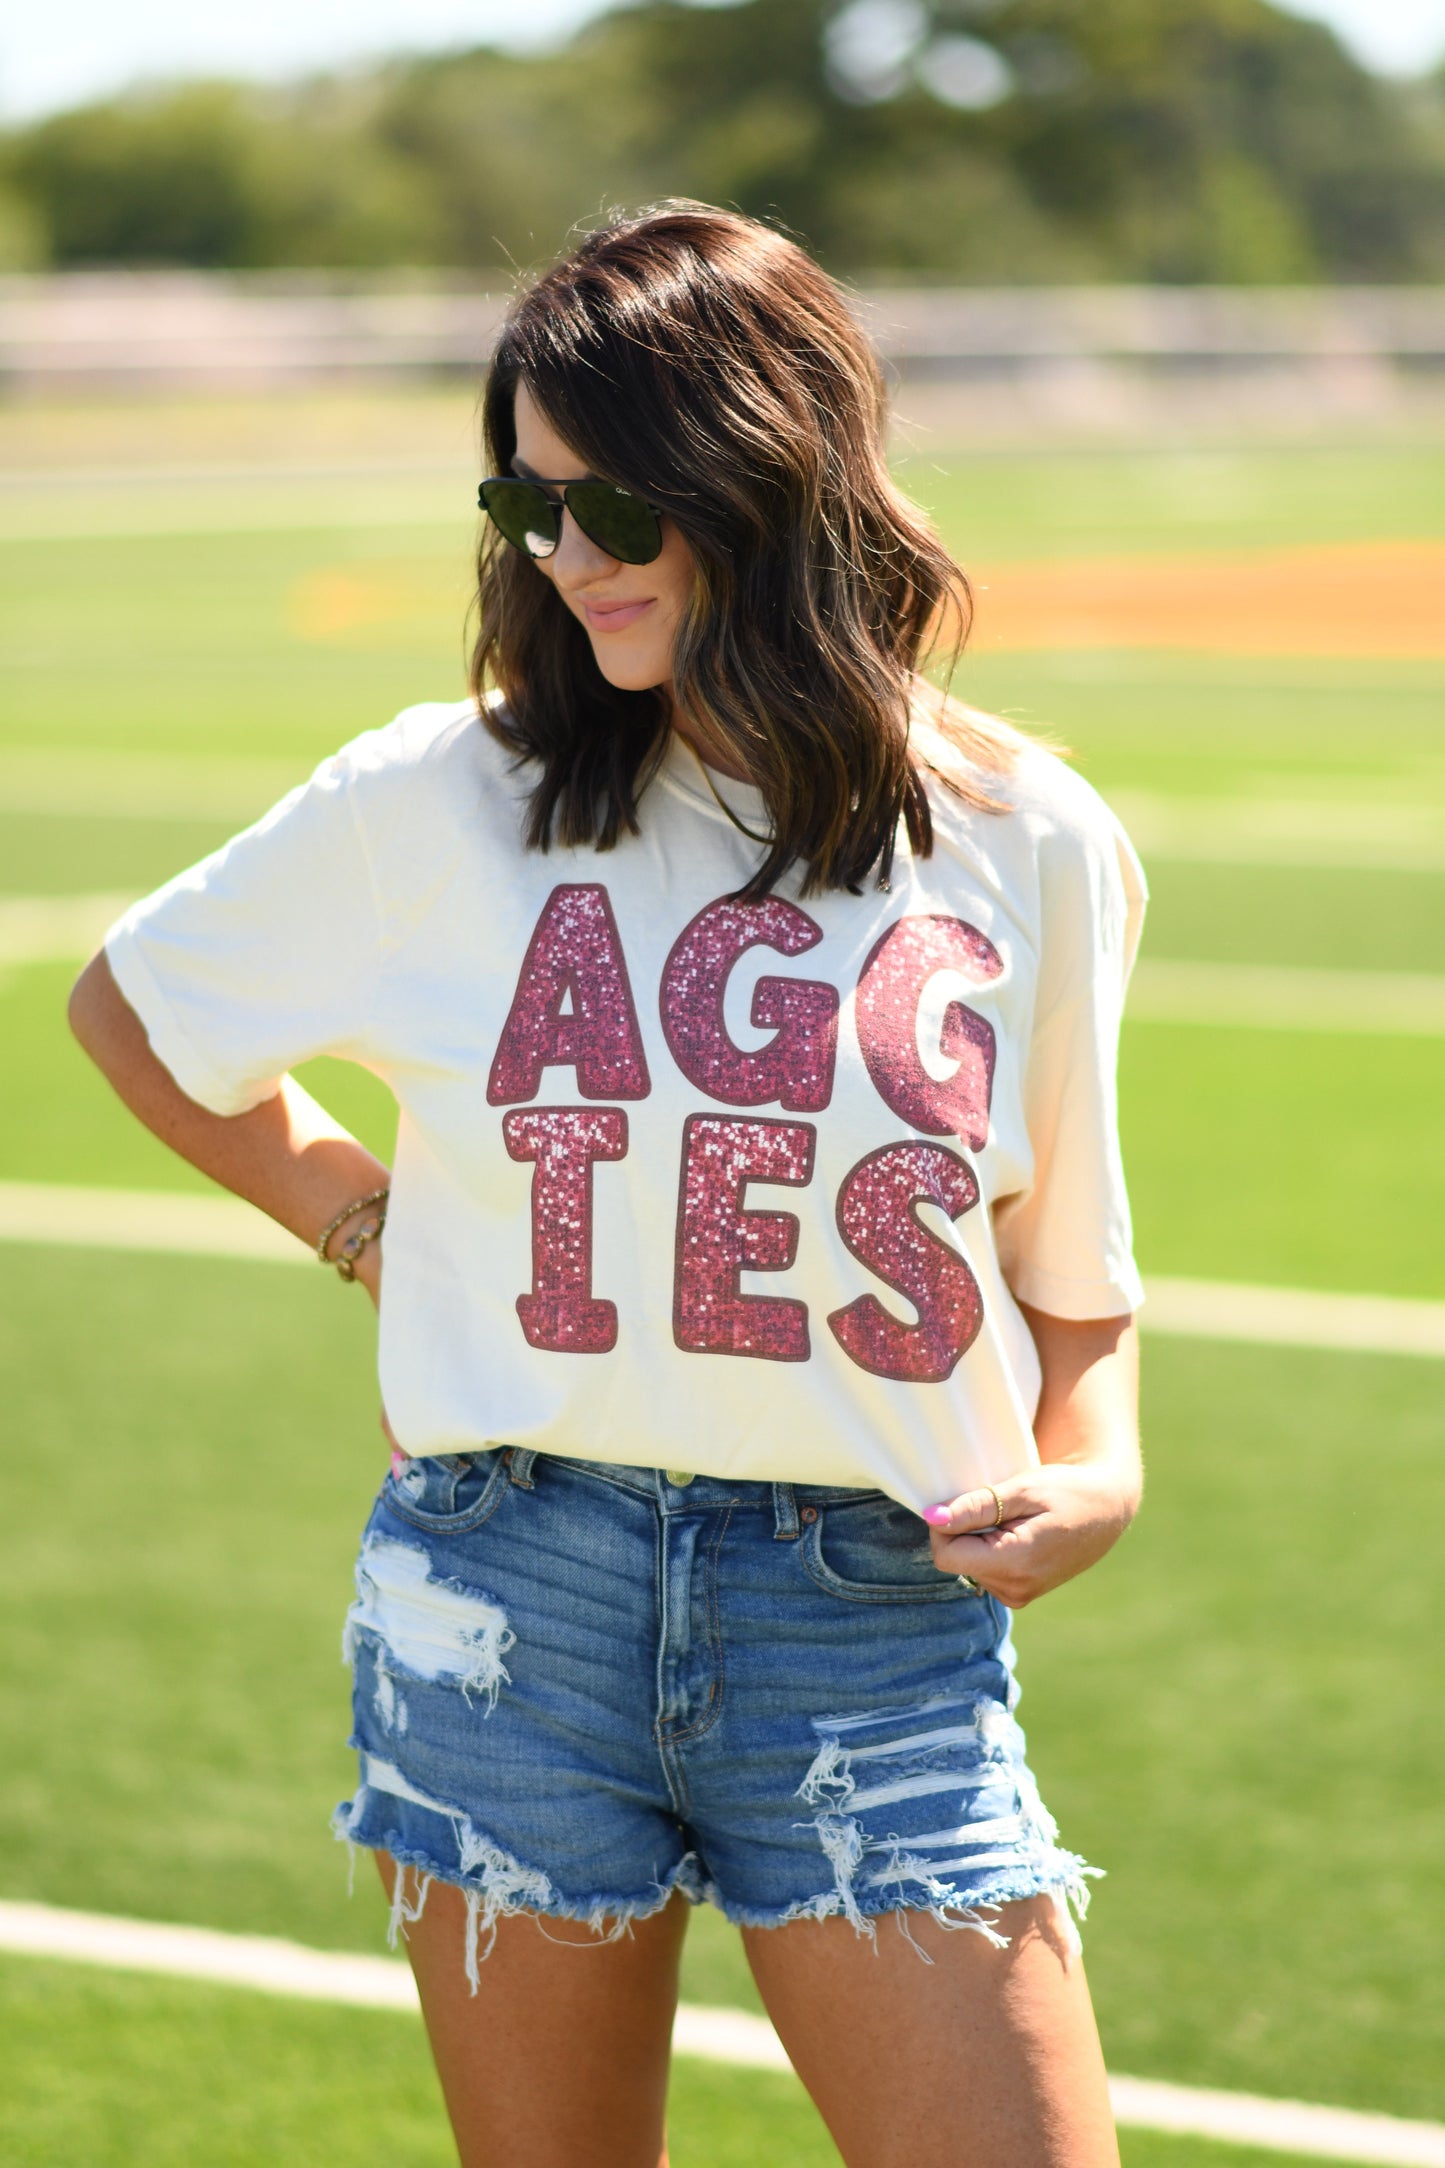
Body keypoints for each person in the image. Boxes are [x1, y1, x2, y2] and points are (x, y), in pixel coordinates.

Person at [70, 202, 1145, 2168]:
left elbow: (1072, 1271)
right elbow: (132, 1009)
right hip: (505, 1599)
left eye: (613, 506)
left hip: (867, 1618)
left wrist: (1102, 1462)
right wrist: (359, 1219)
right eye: (524, 502)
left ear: (771, 469)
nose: (564, 557)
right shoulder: (439, 797)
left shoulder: (1029, 841)